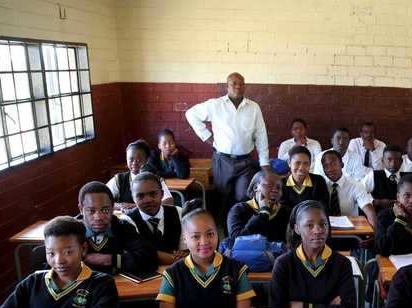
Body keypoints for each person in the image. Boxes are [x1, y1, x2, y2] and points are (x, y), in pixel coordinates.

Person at [77, 181, 156, 308]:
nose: (98, 217)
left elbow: (148, 257)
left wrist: (109, 259)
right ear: (81, 208)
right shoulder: (72, 232)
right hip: (81, 299)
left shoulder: (122, 228)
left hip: (117, 299)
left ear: (113, 208)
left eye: (105, 210)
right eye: (91, 211)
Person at [185, 72, 269, 204]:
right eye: (234, 84)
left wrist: (264, 163)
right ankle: (224, 224)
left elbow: (261, 135)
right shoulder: (215, 105)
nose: (238, 87)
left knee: (243, 196)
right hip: (222, 160)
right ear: (227, 87)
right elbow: (191, 114)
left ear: (245, 87)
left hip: (245, 162)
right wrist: (207, 136)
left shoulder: (253, 108)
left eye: (241, 84)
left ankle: (237, 223)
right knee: (222, 197)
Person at [128, 172, 185, 266]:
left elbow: (186, 249)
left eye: (153, 194)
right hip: (146, 274)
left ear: (162, 194)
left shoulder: (178, 212)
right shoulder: (128, 221)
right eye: (140, 196)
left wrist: (183, 254)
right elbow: (142, 256)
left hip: (176, 271)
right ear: (133, 198)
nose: (147, 200)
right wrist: (173, 259)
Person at [226, 170, 290, 243]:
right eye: (269, 185)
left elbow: (290, 242)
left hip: (278, 254)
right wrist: (263, 213)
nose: (275, 190)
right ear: (255, 187)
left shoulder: (286, 211)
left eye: (278, 188)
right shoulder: (239, 209)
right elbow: (236, 239)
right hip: (246, 253)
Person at [107, 140, 174, 209]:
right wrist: (120, 205)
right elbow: (103, 199)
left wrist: (138, 207)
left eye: (139, 159)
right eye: (131, 159)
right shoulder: (119, 179)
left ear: (147, 160)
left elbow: (169, 201)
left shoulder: (154, 178)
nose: (134, 163)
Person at [320, 149, 376, 227]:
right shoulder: (320, 185)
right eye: (326, 166)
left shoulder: (355, 185)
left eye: (334, 164)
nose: (330, 169)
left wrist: (375, 236)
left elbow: (369, 210)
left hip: (351, 231)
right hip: (324, 230)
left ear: (342, 165)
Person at [363, 144, 410, 211]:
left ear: (401, 161)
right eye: (389, 159)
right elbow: (360, 194)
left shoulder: (408, 177)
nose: (393, 164)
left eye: (396, 160)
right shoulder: (374, 175)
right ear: (382, 160)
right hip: (380, 217)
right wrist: (378, 202)